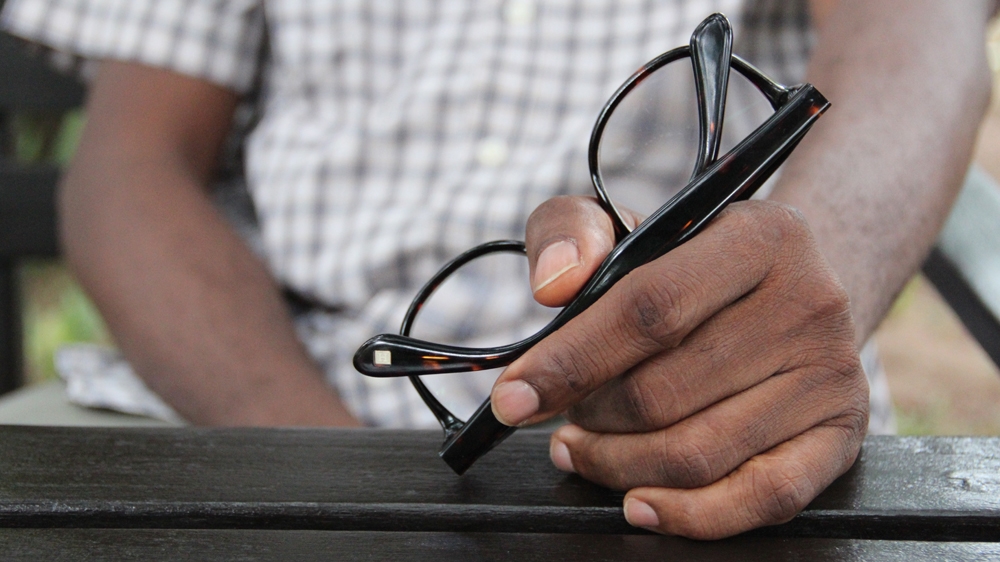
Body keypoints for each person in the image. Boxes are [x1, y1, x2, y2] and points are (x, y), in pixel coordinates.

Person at [1, 0, 994, 539]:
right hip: (258, 399)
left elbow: (921, 33)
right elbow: (132, 167)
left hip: (725, 411)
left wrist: (812, 265)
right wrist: (332, 480)